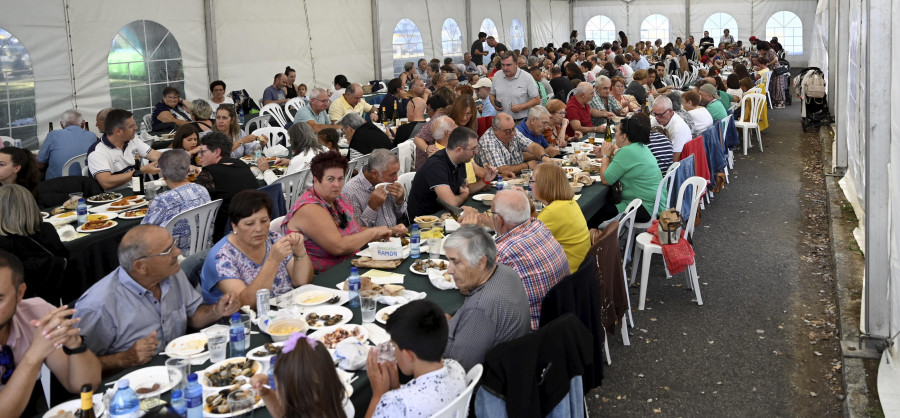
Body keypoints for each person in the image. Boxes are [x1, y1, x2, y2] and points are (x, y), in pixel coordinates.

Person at [75, 225, 239, 372]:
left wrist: (217, 310)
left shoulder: (171, 273)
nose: (178, 252)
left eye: (174, 244)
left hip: (181, 366)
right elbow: (79, 368)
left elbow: (193, 317)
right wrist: (124, 358)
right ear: (141, 266)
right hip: (132, 384)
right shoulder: (97, 306)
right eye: (168, 251)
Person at [0, 250, 101, 418]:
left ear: (19, 294)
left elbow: (83, 385)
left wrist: (75, 346)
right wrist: (34, 355)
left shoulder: (36, 312)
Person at [460, 190, 568, 331]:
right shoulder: (539, 226)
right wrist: (482, 219)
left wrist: (468, 235)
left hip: (528, 336)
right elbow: (509, 228)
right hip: (559, 322)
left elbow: (467, 286)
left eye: (492, 215)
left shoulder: (503, 252)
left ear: (499, 220)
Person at [282, 151, 396, 273]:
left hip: (352, 266)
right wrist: (375, 232)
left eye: (340, 178)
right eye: (330, 179)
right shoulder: (309, 207)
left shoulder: (339, 199)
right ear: (316, 180)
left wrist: (389, 231)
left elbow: (356, 231)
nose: (336, 184)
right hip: (324, 278)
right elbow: (338, 247)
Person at [441, 225, 530, 370]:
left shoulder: (480, 309)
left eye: (455, 261)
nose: (449, 270)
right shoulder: (505, 272)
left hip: (485, 383)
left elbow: (460, 369)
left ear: (481, 262)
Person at [202, 191, 313, 306]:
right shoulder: (221, 258)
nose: (259, 228)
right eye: (250, 224)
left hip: (285, 308)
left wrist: (300, 252)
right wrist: (272, 261)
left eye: (264, 221)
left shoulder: (274, 238)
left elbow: (301, 281)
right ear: (234, 225)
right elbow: (246, 304)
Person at [365, 300, 466, 418]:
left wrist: (378, 395)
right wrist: (396, 386)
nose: (394, 351)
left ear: (408, 355)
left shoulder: (394, 404)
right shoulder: (457, 368)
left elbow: (399, 406)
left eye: (394, 346)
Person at [250, 332, 352, 418]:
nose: (276, 391)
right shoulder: (336, 404)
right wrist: (266, 393)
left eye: (277, 388)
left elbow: (282, 412)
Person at [408, 127, 497, 219]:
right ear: (458, 150)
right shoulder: (436, 166)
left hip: (446, 213)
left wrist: (485, 180)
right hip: (426, 220)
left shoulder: (460, 159)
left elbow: (465, 188)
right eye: (473, 149)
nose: (476, 152)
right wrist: (464, 195)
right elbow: (452, 203)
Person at [0, 185, 69, 302]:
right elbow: (65, 258)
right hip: (59, 297)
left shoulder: (4, 244)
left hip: (21, 303)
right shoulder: (47, 230)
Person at [594, 113, 666, 223]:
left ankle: (599, 238)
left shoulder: (627, 151)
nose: (615, 135)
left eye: (617, 131)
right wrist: (610, 152)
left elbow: (605, 179)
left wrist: (605, 156)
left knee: (596, 214)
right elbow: (625, 162)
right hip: (655, 203)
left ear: (623, 136)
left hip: (643, 207)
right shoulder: (641, 146)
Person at [141, 150, 211, 256]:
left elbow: (143, 233)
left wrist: (154, 206)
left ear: (163, 175)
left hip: (174, 257)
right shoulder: (202, 190)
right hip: (205, 250)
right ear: (188, 171)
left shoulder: (162, 200)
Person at [193, 132, 261, 241]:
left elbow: (192, 196)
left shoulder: (209, 173)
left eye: (203, 152)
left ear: (217, 152)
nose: (199, 156)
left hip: (227, 233)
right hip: (253, 223)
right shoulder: (241, 164)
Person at [531, 164, 590, 273]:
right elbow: (539, 223)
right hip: (582, 270)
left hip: (568, 276)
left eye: (532, 181)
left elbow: (526, 243)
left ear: (543, 185)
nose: (530, 185)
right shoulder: (569, 202)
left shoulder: (552, 212)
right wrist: (529, 207)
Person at [86, 109, 162, 191]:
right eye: (131, 126)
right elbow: (106, 183)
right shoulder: (97, 151)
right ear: (118, 131)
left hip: (139, 191)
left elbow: (156, 155)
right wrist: (141, 171)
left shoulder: (132, 140)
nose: (136, 128)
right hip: (115, 199)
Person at [343, 149, 407, 230]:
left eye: (396, 172)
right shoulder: (350, 192)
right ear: (374, 174)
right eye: (392, 174)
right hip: (373, 241)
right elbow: (355, 232)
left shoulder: (386, 182)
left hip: (395, 238)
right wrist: (372, 207)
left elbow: (400, 217)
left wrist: (399, 201)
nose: (396, 178)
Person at [478, 112, 555, 177]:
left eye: (513, 128)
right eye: (507, 131)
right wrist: (527, 166)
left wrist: (543, 156)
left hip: (516, 178)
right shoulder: (488, 141)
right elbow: (501, 170)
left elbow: (532, 146)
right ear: (495, 130)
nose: (512, 133)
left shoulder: (512, 131)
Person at [36, 109, 98, 179]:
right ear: (83, 124)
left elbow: (39, 164)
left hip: (56, 185)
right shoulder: (92, 136)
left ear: (62, 125)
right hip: (85, 183)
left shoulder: (53, 135)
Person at [259, 122, 327, 185]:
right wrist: (290, 162)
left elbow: (282, 186)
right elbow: (307, 163)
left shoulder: (300, 158)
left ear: (296, 141)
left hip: (304, 195)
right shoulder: (325, 149)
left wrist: (266, 170)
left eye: (290, 140)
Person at [490, 52, 540, 121]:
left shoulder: (527, 77)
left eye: (508, 65)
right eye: (503, 65)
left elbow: (536, 100)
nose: (505, 68)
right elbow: (492, 95)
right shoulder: (497, 75)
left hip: (520, 121)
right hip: (501, 121)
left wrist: (521, 107)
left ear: (516, 64)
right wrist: (494, 104)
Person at [651, 95, 692, 161]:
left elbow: (674, 160)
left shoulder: (678, 129)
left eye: (660, 115)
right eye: (654, 114)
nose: (656, 118)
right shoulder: (657, 118)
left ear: (670, 111)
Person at [758, 41, 786, 108]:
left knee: (777, 86)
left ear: (762, 49)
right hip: (772, 71)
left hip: (776, 71)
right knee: (773, 87)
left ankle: (780, 103)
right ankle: (774, 102)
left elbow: (776, 59)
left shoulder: (771, 51)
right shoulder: (767, 52)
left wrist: (769, 64)